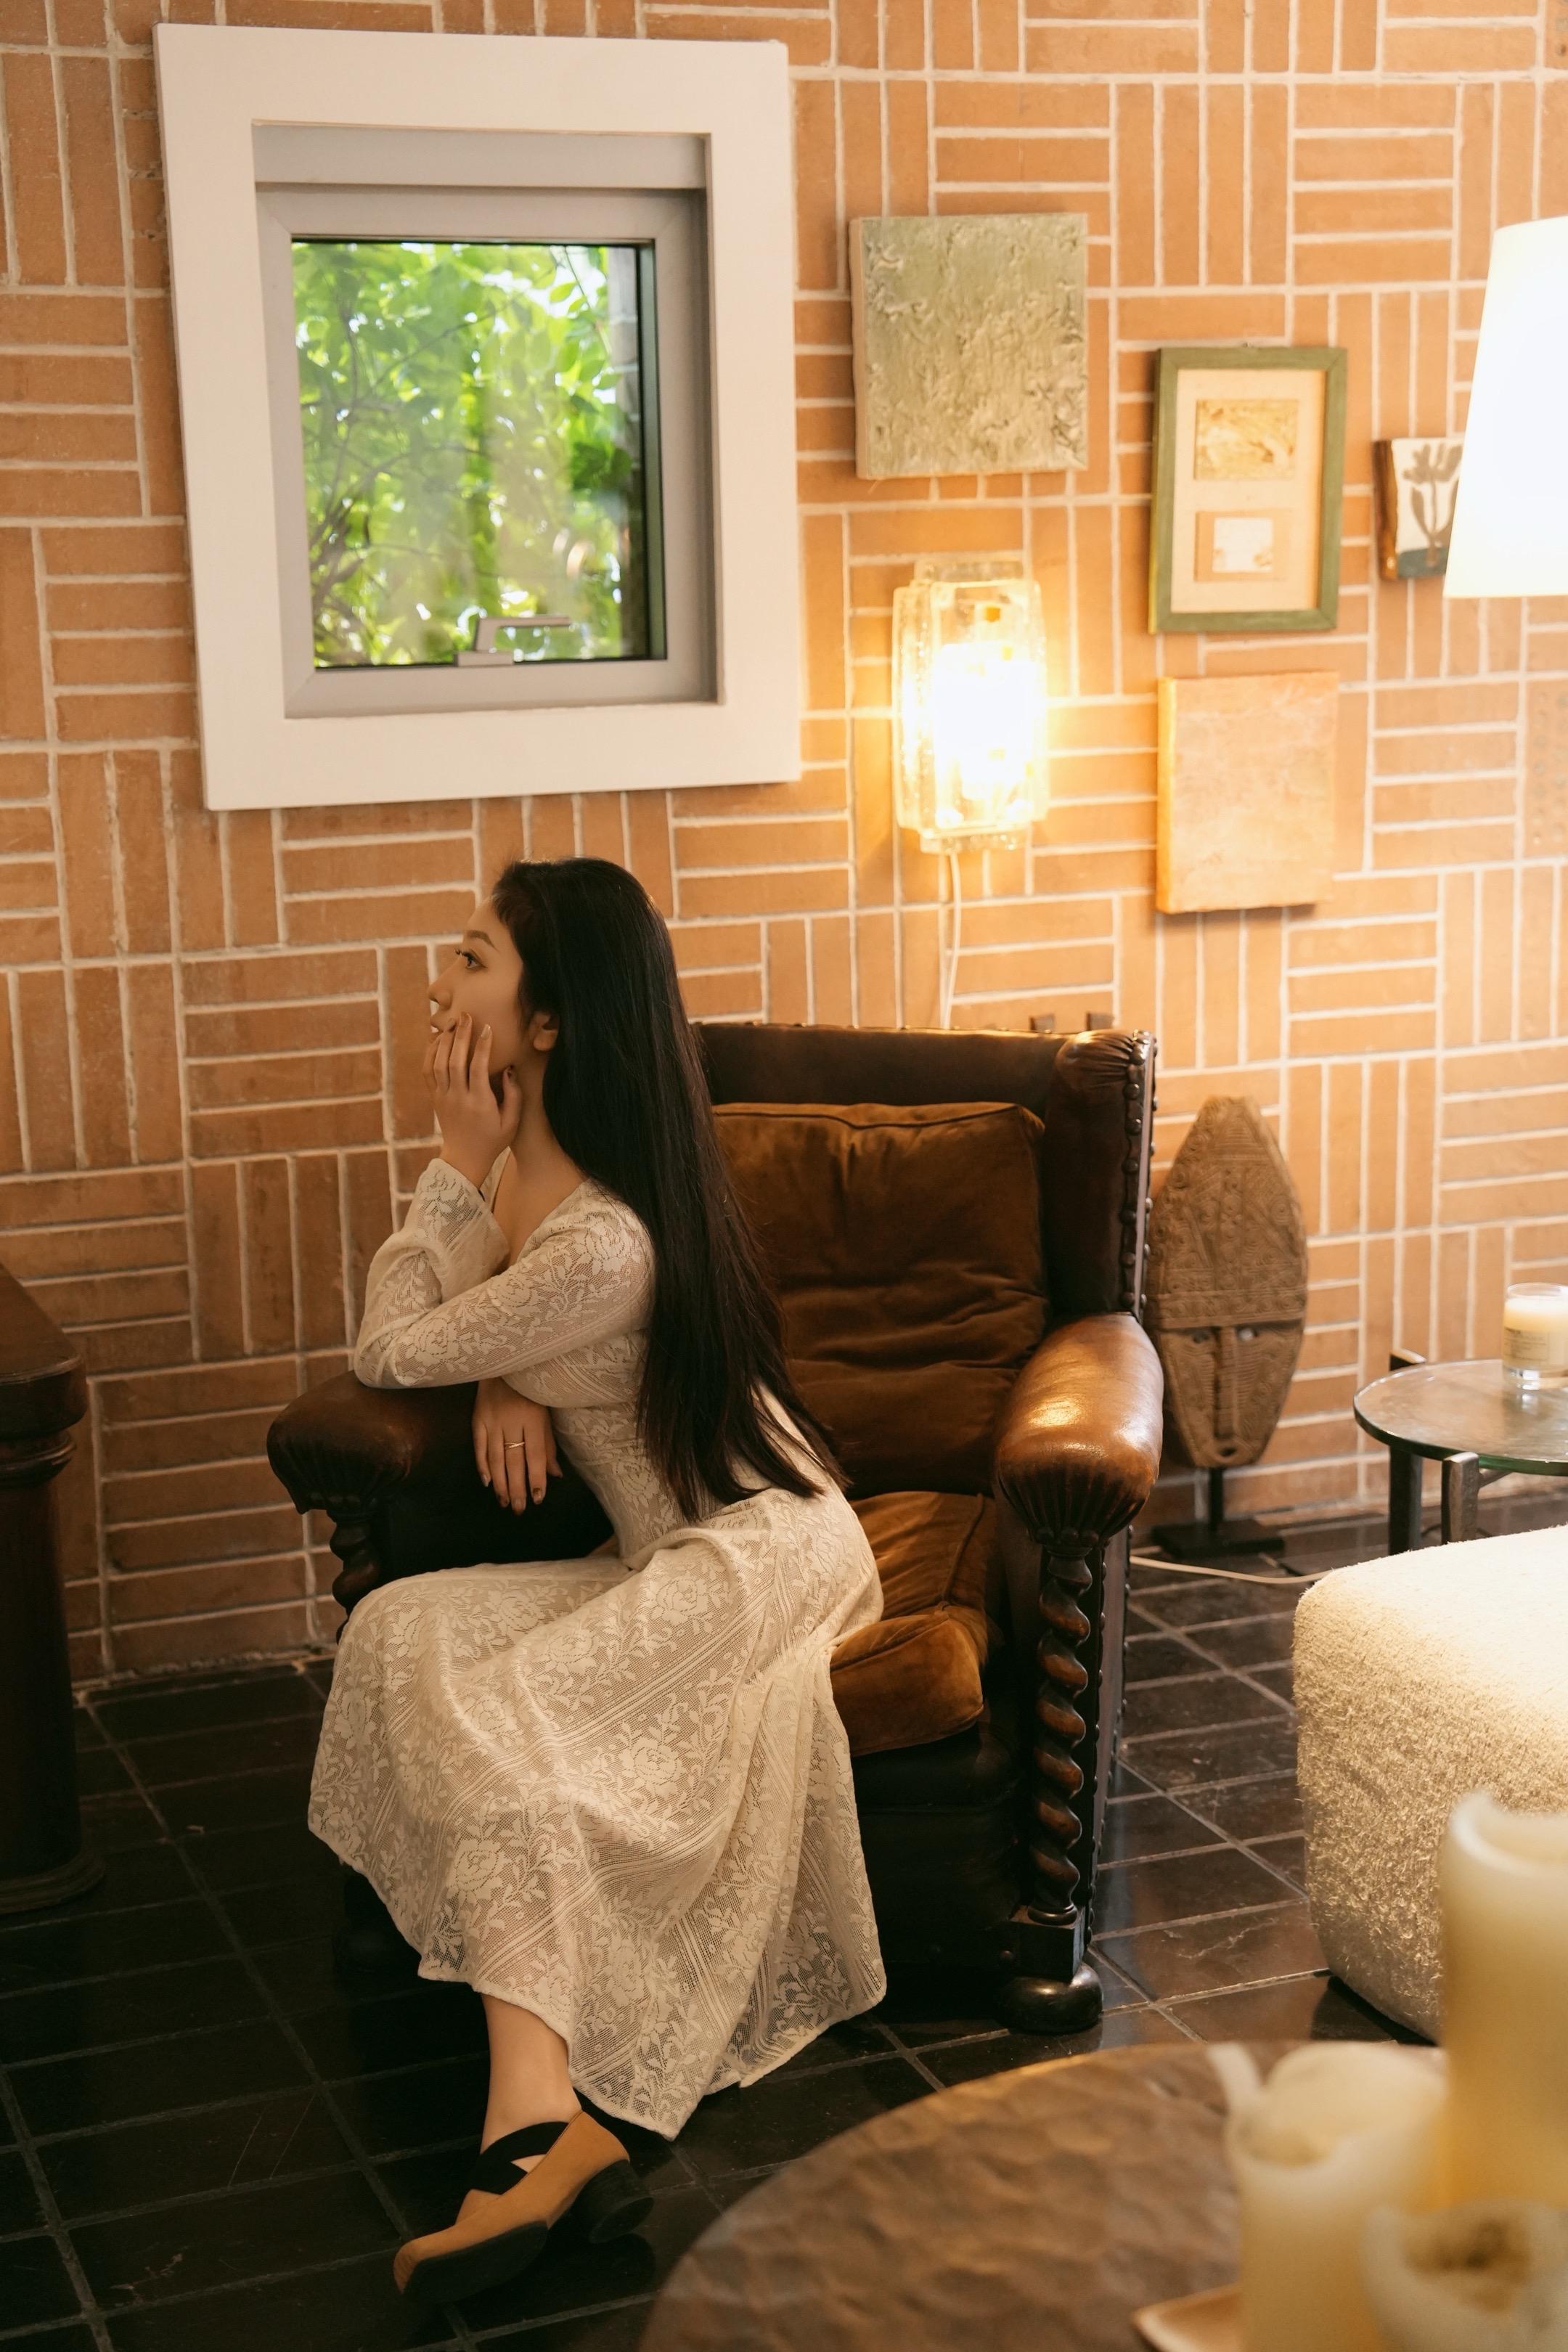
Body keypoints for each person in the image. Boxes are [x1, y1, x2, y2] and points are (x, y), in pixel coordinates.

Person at [308, 857, 886, 2313]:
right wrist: (505, 1366)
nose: (439, 985)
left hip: (767, 1549)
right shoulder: (543, 1183)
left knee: (507, 1721)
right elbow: (481, 1319)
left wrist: (449, 1168)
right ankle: (546, 2108)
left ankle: (532, 2126)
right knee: (400, 1630)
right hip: (655, 1552)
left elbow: (391, 1345)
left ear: (551, 1021)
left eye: (471, 958)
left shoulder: (599, 1234)